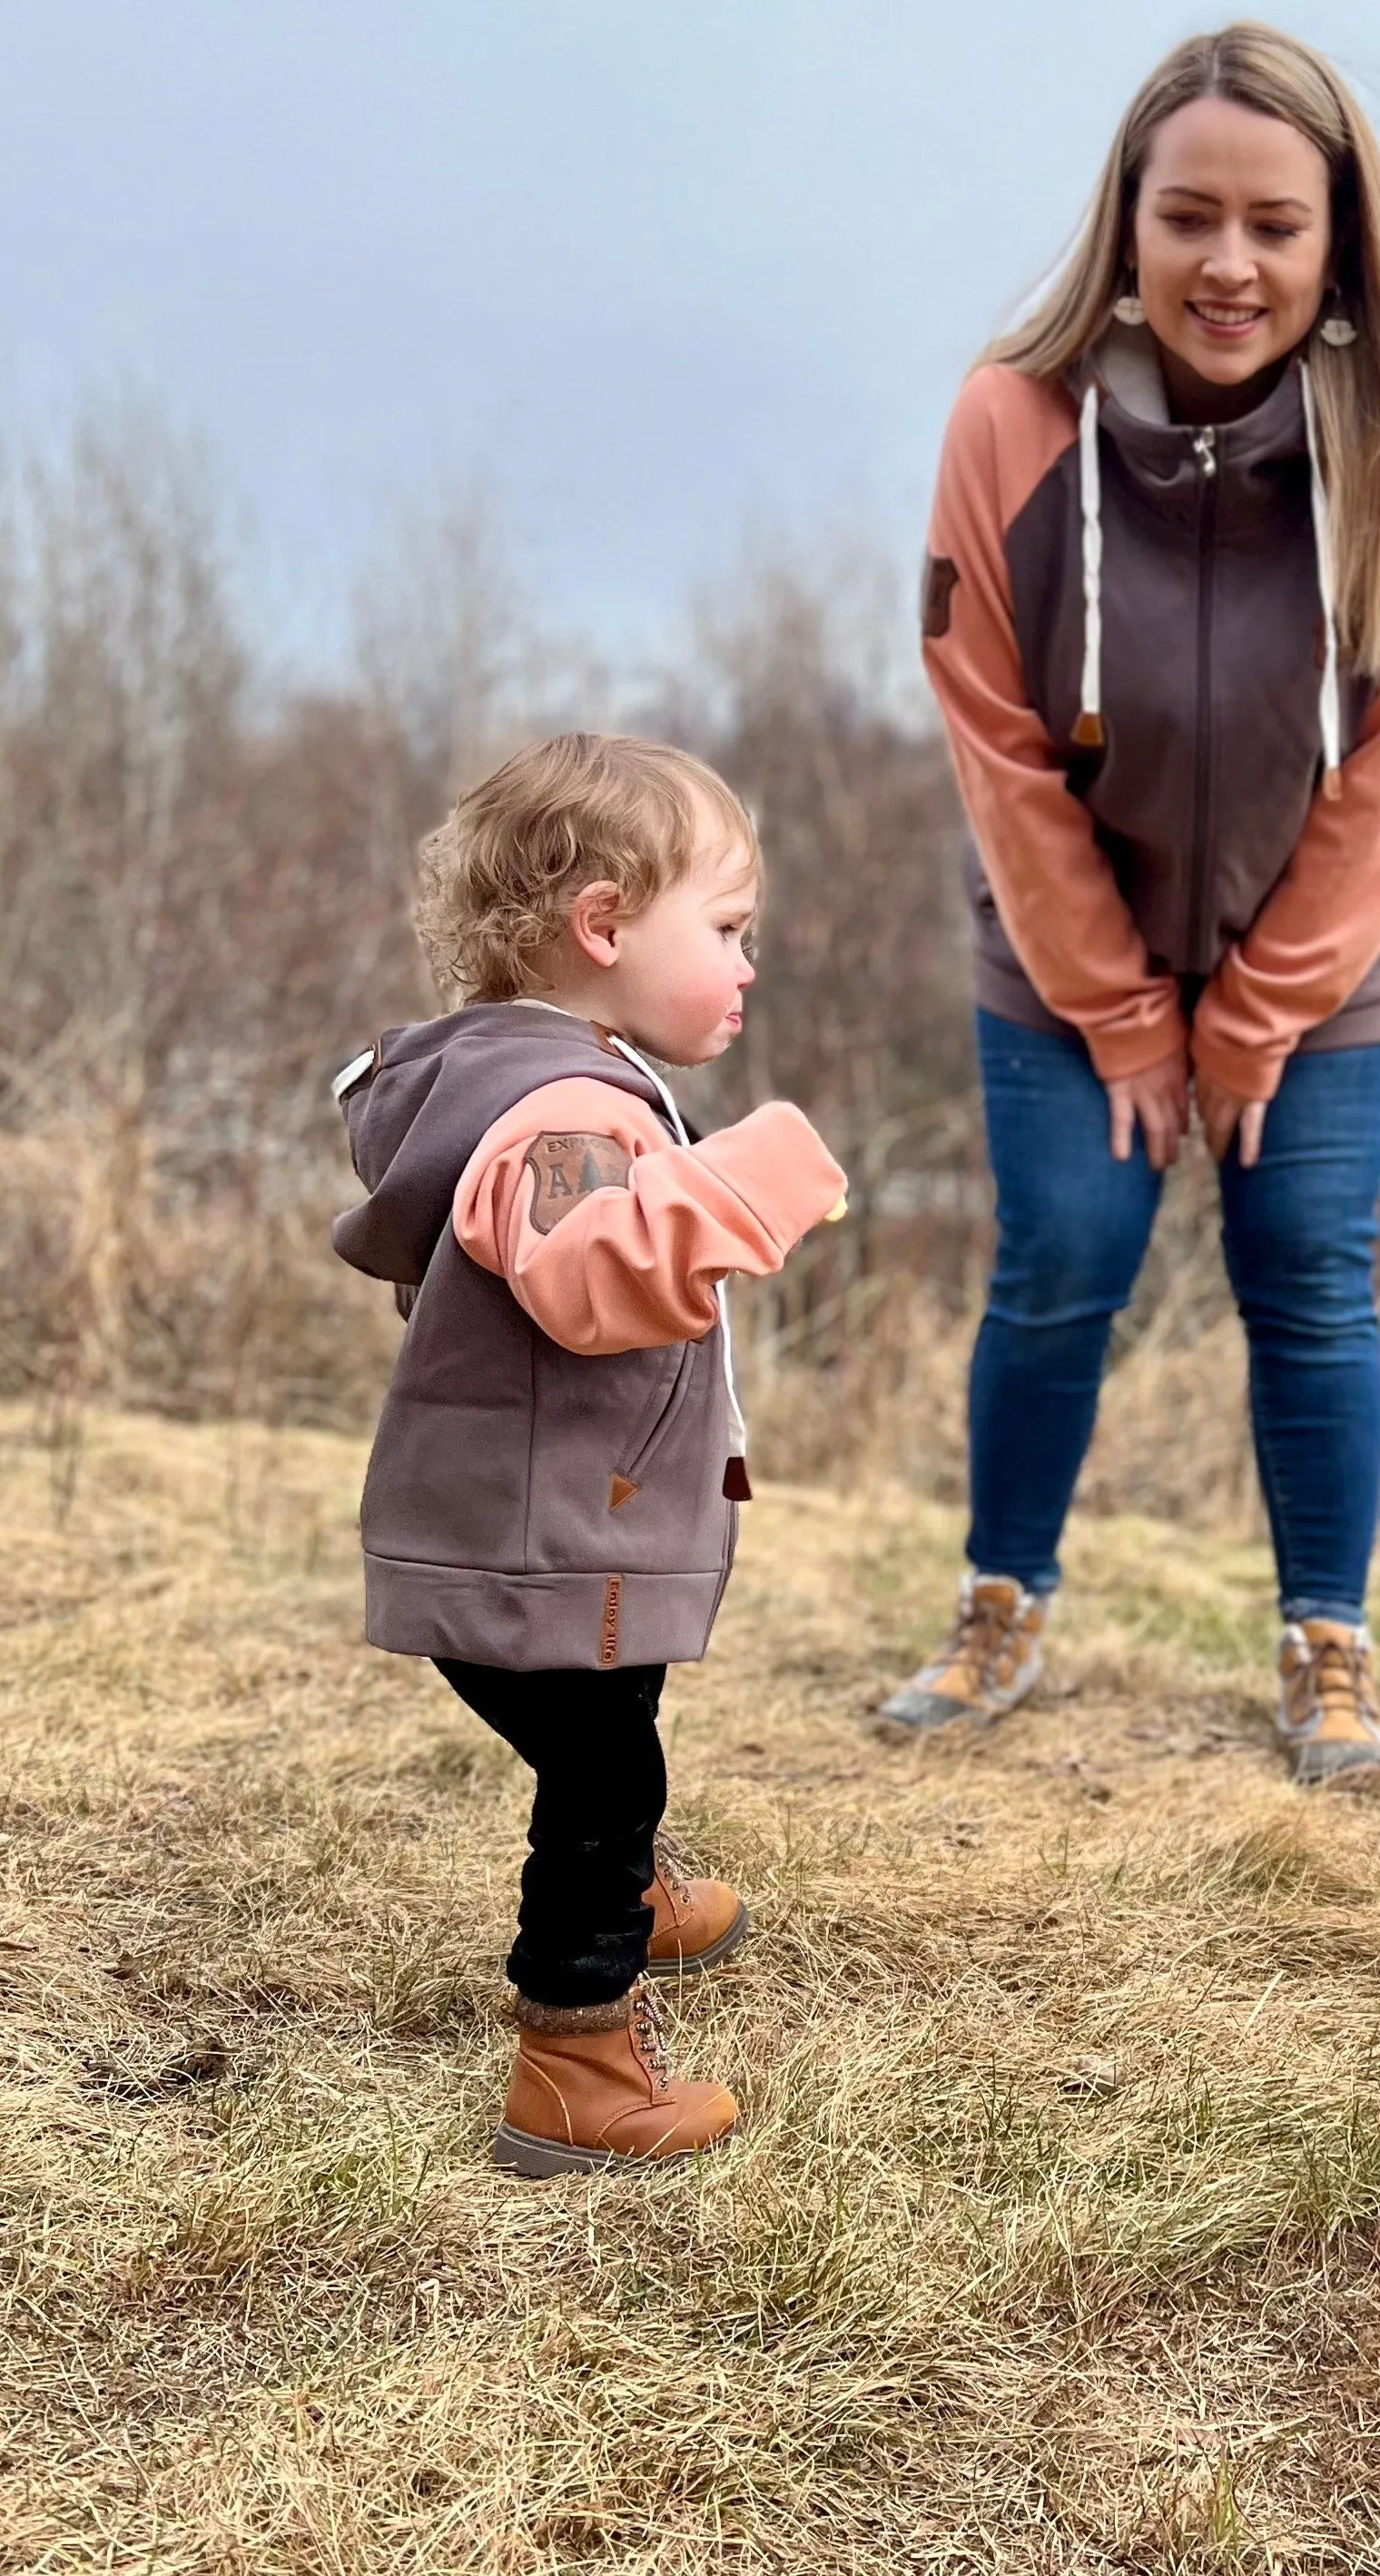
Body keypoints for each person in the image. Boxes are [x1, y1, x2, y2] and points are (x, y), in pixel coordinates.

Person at [882, 22, 1380, 1783]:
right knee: (1063, 1263)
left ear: (1336, 245)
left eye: (1273, 225)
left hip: (1329, 965)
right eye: (1189, 219)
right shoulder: (1006, 425)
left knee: (1307, 1270)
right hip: (1057, 943)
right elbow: (996, 742)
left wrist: (1251, 1018)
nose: (1228, 264)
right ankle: (999, 1604)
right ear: (1129, 222)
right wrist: (1113, 1006)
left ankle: (1331, 1649)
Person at [331, 734, 845, 2176]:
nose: (749, 968)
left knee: (607, 1753)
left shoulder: (525, 1076)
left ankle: (627, 1894)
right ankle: (576, 2062)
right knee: (604, 1773)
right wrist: (756, 1172)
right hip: (547, 1543)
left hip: (525, 1525)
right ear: (605, 925)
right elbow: (587, 1266)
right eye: (729, 932)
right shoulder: (568, 1111)